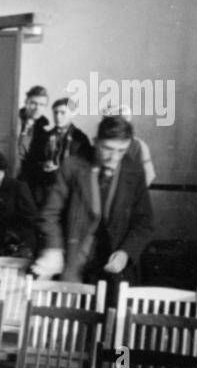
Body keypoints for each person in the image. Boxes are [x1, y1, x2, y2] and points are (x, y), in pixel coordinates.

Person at [32, 115, 154, 289]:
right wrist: (54, 248)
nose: (114, 157)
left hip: (114, 269)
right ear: (96, 141)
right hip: (74, 261)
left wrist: (125, 253)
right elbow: (50, 214)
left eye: (121, 150)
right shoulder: (72, 166)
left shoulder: (134, 172)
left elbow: (144, 223)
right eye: (108, 148)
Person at [25, 96, 93, 206]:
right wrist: (43, 166)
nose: (58, 117)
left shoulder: (80, 139)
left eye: (63, 113)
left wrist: (59, 169)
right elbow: (32, 163)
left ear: (73, 113)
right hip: (45, 192)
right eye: (55, 112)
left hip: (69, 194)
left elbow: (84, 170)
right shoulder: (44, 137)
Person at [16, 85, 50, 166]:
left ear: (45, 107)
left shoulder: (45, 131)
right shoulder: (14, 121)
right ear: (26, 102)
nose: (37, 108)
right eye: (33, 103)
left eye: (42, 105)